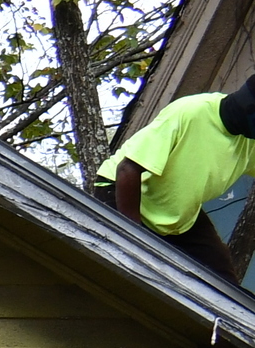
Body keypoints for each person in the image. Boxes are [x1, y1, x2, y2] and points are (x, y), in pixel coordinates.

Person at [98, 78, 255, 281]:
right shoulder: (190, 113)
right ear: (249, 109)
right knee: (133, 273)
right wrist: (134, 237)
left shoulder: (248, 140)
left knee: (223, 282)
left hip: (175, 214)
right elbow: (127, 170)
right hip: (126, 195)